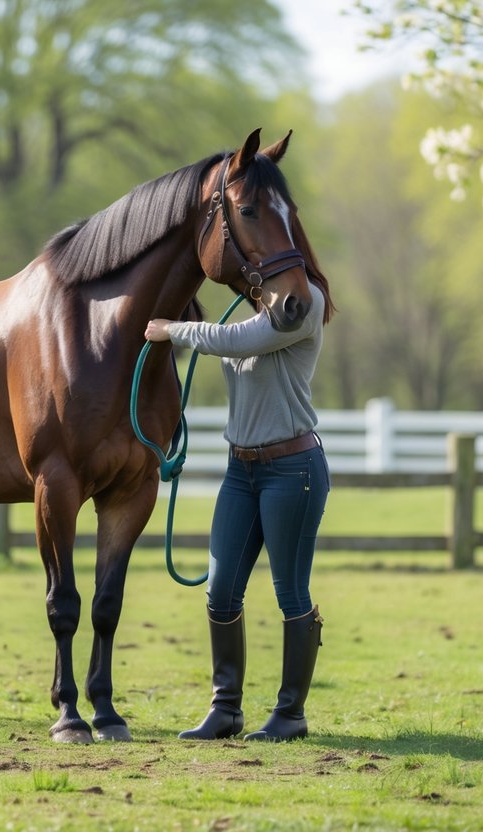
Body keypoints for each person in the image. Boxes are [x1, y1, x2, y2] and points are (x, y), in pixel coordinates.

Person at [144, 278, 330, 742]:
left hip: (293, 468)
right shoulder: (249, 311)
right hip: (240, 470)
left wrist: (174, 329)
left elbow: (235, 341)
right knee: (221, 590)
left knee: (290, 591)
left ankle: (291, 715)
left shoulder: (302, 303)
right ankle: (225, 709)